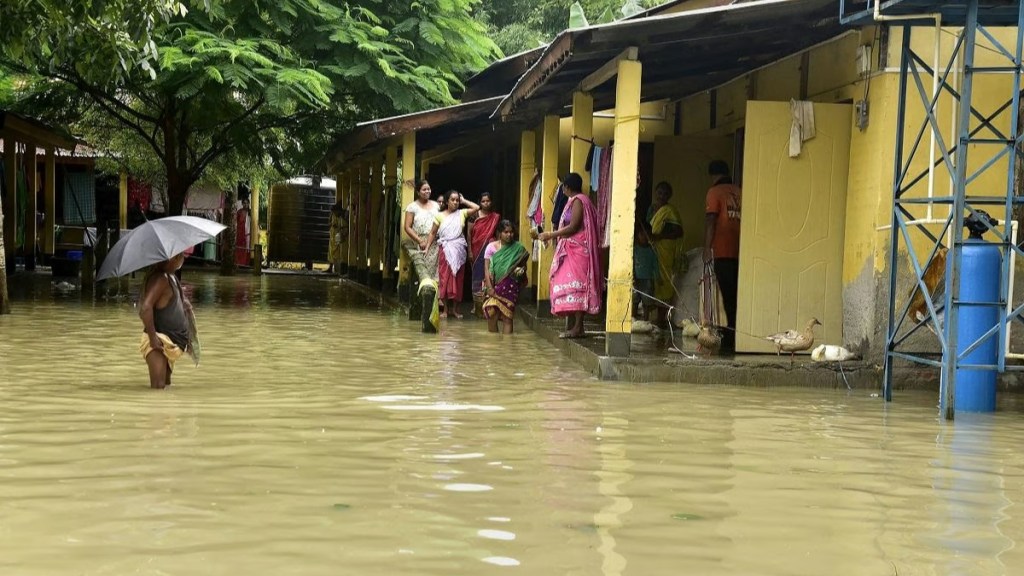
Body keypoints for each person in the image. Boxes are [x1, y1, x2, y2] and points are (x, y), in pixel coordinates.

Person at [531, 173, 601, 339]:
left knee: (576, 286)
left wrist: (551, 234)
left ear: (567, 187)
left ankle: (578, 327)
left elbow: (574, 227)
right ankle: (576, 326)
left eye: (563, 187)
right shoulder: (576, 200)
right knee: (568, 284)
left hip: (578, 250)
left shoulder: (579, 200)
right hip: (571, 249)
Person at [703, 160, 742, 352]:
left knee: (725, 297)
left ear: (713, 175)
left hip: (723, 250)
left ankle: (729, 338)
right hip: (742, 251)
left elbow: (711, 220)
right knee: (737, 295)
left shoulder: (714, 192)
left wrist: (706, 249)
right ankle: (736, 335)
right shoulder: (739, 191)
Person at [138, 252, 192, 389]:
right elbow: (145, 309)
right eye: (181, 257)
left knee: (166, 387)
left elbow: (177, 303)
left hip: (171, 341)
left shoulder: (171, 277)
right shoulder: (160, 279)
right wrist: (153, 338)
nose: (183, 260)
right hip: (158, 341)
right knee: (158, 388)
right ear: (173, 259)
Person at [430, 190, 480, 319]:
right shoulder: (439, 216)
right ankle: (446, 310)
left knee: (458, 279)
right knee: (445, 278)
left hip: (459, 250)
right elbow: (432, 233)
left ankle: (456, 310)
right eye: (453, 200)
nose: (455, 202)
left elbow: (476, 207)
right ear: (447, 201)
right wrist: (426, 247)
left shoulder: (462, 213)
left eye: (457, 200)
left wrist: (464, 201)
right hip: (445, 250)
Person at [403, 180, 442, 332]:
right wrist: (420, 240)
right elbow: (407, 227)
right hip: (419, 243)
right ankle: (423, 307)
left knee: (435, 275)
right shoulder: (412, 207)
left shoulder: (436, 206)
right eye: (424, 189)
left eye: (429, 189)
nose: (427, 192)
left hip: (435, 243)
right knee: (422, 274)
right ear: (418, 191)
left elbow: (439, 223)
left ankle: (434, 310)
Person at [647, 181, 685, 327]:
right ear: (655, 193)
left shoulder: (670, 211)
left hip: (665, 250)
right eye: (659, 192)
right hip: (652, 250)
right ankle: (654, 316)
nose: (661, 196)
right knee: (653, 282)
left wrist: (659, 236)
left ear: (669, 195)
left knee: (664, 281)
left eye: (665, 193)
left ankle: (662, 318)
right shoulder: (652, 209)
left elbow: (678, 231)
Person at [482, 220, 529, 334]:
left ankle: (507, 347)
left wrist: (521, 271)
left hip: (510, 285)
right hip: (493, 284)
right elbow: (486, 269)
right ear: (499, 233)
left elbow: (523, 267)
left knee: (507, 317)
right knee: (491, 312)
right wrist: (489, 287)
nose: (509, 235)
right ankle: (494, 345)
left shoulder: (519, 248)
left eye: (511, 232)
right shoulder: (491, 247)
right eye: (506, 232)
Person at [469, 192, 501, 314]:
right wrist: (470, 251)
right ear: (480, 203)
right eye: (483, 201)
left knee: (490, 275)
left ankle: (488, 303)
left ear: (491, 202)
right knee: (476, 276)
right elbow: (469, 234)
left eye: (488, 201)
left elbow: (498, 234)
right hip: (476, 250)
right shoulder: (474, 215)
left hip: (490, 250)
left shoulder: (495, 217)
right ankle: (475, 305)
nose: (486, 203)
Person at [633, 221, 658, 319]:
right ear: (637, 235)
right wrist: (632, 276)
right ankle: (633, 319)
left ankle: (646, 320)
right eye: (641, 234)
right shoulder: (634, 250)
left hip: (648, 280)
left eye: (646, 234)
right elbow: (631, 264)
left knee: (647, 302)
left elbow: (655, 265)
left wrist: (657, 277)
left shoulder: (651, 251)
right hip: (636, 280)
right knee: (634, 300)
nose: (644, 237)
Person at [328, 200, 347, 273]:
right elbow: (330, 223)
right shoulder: (334, 215)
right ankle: (331, 267)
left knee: (336, 251)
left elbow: (344, 227)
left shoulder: (342, 216)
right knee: (331, 251)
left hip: (338, 234)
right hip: (333, 233)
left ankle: (336, 268)